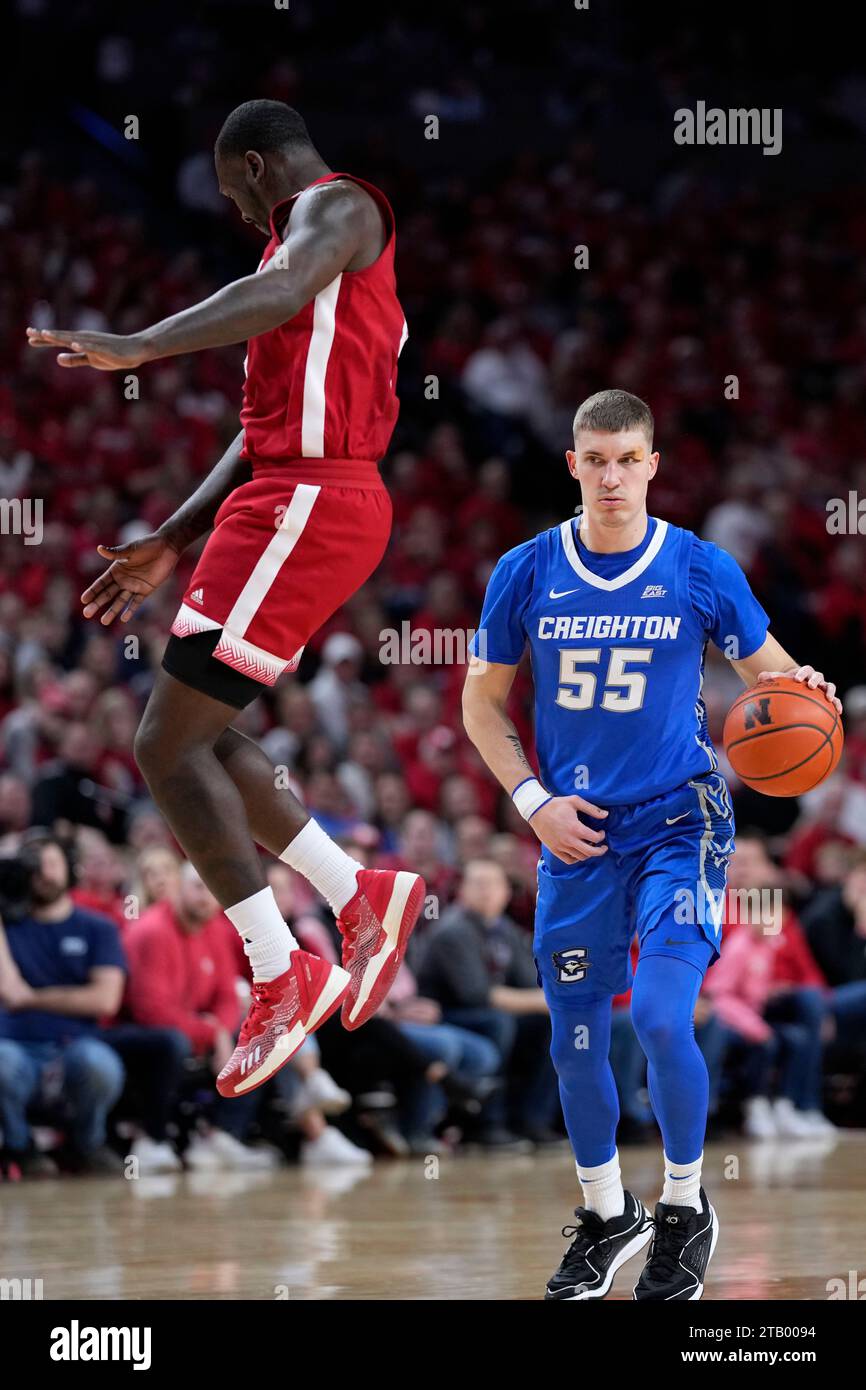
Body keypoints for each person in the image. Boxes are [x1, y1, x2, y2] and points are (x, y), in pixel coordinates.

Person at [27, 99, 425, 1098]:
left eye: (233, 195)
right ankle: (355, 898)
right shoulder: (293, 271)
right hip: (282, 491)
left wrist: (142, 344)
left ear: (257, 167)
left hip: (312, 494)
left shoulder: (335, 213)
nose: (240, 217)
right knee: (187, 736)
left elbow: (281, 286)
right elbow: (256, 430)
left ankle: (280, 966)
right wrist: (173, 533)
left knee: (164, 742)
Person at [461, 388, 843, 1301]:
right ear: (573, 466)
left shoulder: (700, 568)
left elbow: (774, 677)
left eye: (629, 459)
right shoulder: (524, 569)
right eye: (596, 460)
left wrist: (807, 689)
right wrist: (531, 800)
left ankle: (682, 1207)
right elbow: (481, 701)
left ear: (653, 466)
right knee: (575, 1039)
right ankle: (606, 1215)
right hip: (575, 830)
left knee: (663, 1017)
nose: (613, 477)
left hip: (681, 818)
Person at [0, 833, 127, 1175]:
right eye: (33, 865)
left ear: (69, 869)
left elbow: (106, 999)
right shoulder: (7, 924)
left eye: (52, 863)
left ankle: (86, 1144)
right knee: (2, 1061)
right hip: (15, 1046)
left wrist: (34, 998)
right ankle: (20, 1148)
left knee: (100, 1065)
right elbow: (9, 992)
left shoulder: (98, 927)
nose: (43, 873)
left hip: (75, 1046)